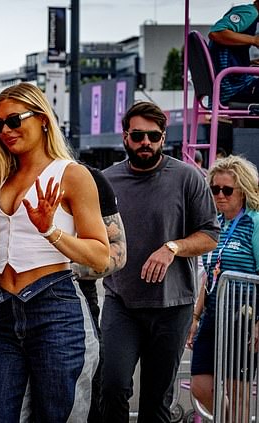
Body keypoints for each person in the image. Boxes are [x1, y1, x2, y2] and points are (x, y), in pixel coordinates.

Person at [0, 82, 109, 421]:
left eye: (14, 120)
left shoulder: (72, 174)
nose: (6, 130)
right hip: (6, 312)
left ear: (43, 118)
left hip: (56, 310)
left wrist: (50, 230)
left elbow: (101, 255)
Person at [101, 101, 220, 423]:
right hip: (121, 302)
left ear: (163, 137)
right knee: (111, 386)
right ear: (125, 137)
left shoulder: (186, 177)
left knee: (156, 399)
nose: (146, 143)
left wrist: (172, 247)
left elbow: (210, 234)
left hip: (172, 306)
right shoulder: (106, 180)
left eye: (153, 136)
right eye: (138, 135)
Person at [19, 163, 127, 423]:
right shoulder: (5, 178)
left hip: (73, 305)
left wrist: (60, 270)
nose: (9, 134)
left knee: (75, 408)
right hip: (14, 308)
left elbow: (117, 251)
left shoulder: (86, 177)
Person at [188, 155, 259, 417]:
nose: (220, 195)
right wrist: (195, 316)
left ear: (243, 191)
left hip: (244, 316)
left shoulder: (254, 222)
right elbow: (209, 273)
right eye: (215, 189)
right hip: (213, 315)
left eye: (227, 190)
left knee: (237, 390)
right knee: (200, 386)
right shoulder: (215, 224)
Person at [208, 0, 259, 105]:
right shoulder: (250, 12)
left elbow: (226, 55)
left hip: (230, 86)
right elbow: (216, 33)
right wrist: (254, 40)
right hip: (233, 89)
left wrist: (249, 63)